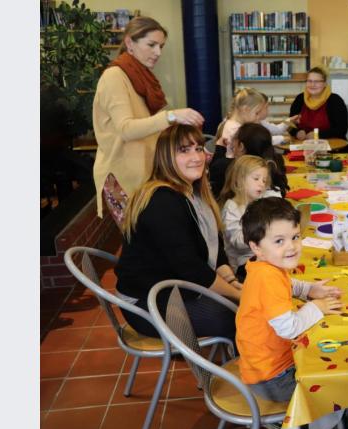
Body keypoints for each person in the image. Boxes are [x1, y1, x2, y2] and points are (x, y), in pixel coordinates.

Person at [114, 125, 239, 340]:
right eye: (184, 150)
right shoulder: (162, 201)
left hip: (172, 289)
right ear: (165, 157)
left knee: (249, 285)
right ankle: (242, 369)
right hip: (148, 305)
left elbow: (214, 246)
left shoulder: (193, 192)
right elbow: (191, 267)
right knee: (237, 315)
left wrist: (232, 280)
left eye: (199, 148)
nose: (196, 157)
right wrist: (239, 295)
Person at [93, 16, 204, 223]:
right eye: (151, 45)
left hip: (146, 171)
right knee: (141, 239)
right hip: (123, 176)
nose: (158, 53)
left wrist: (188, 145)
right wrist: (171, 116)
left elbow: (150, 128)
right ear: (129, 43)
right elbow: (126, 129)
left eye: (160, 46)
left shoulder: (142, 77)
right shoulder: (114, 76)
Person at [236, 197, 343, 401]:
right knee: (334, 387)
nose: (292, 247)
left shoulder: (266, 266)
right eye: (279, 241)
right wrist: (316, 307)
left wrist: (309, 290)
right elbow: (289, 328)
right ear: (256, 247)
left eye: (295, 236)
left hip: (266, 366)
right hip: (273, 379)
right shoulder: (267, 278)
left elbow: (289, 283)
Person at [219, 155, 270, 277]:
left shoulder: (258, 202)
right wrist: (263, 233)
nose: (261, 184)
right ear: (239, 180)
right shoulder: (232, 207)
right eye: (256, 178)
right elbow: (237, 242)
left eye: (264, 180)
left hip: (261, 255)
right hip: (242, 264)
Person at [210, 123, 289, 198]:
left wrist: (220, 149)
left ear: (241, 146)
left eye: (235, 139)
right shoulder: (276, 161)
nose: (232, 143)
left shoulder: (233, 167)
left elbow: (214, 173)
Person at [289, 67, 348, 140]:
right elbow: (290, 125)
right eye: (309, 81)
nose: (312, 85)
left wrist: (318, 135)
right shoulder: (300, 99)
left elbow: (341, 130)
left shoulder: (335, 101)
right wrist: (297, 132)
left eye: (317, 81)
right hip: (303, 145)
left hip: (331, 146)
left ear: (325, 84)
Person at [214, 87, 267, 161]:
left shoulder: (232, 123)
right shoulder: (235, 129)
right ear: (245, 109)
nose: (258, 117)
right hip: (233, 166)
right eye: (256, 113)